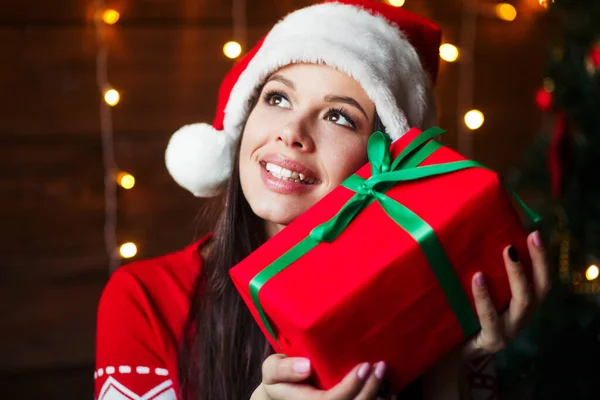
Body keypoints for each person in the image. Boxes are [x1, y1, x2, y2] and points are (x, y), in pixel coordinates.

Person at [94, 1, 551, 399]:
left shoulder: (436, 299)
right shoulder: (146, 300)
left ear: (386, 165)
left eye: (338, 116)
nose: (291, 133)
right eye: (277, 98)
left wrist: (446, 368)